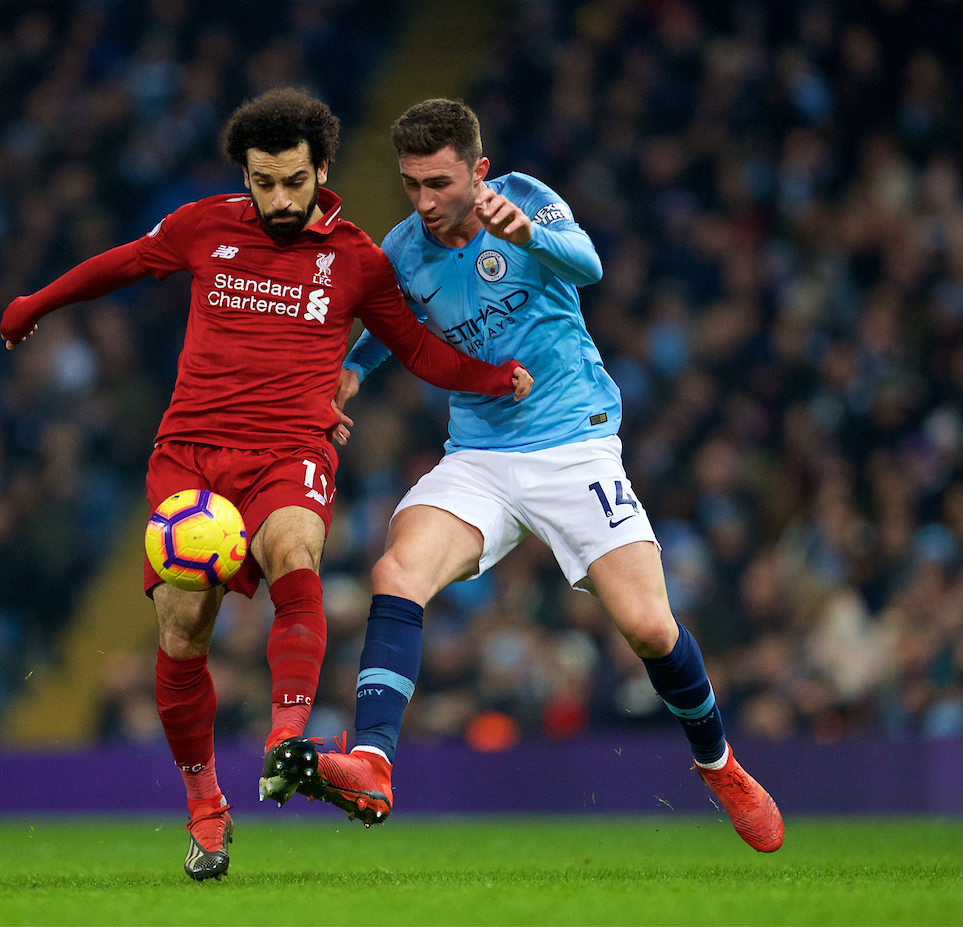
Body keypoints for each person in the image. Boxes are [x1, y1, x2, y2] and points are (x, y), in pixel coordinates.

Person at [0, 89, 534, 881]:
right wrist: (34, 303)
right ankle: (207, 809)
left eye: (293, 180)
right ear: (243, 176)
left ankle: (288, 739)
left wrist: (491, 378)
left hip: (289, 448)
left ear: (322, 169)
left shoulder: (357, 258)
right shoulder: (201, 226)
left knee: (296, 551)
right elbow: (121, 263)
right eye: (263, 182)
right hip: (190, 451)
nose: (279, 199)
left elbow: (416, 349)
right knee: (183, 631)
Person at [272, 99, 784, 853]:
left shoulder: (526, 199)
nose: (423, 202)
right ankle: (374, 762)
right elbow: (391, 324)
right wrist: (350, 371)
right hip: (477, 454)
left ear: (476, 172)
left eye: (439, 183)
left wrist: (526, 233)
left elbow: (590, 265)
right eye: (411, 184)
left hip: (573, 445)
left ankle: (719, 764)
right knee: (396, 570)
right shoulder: (404, 247)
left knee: (647, 626)